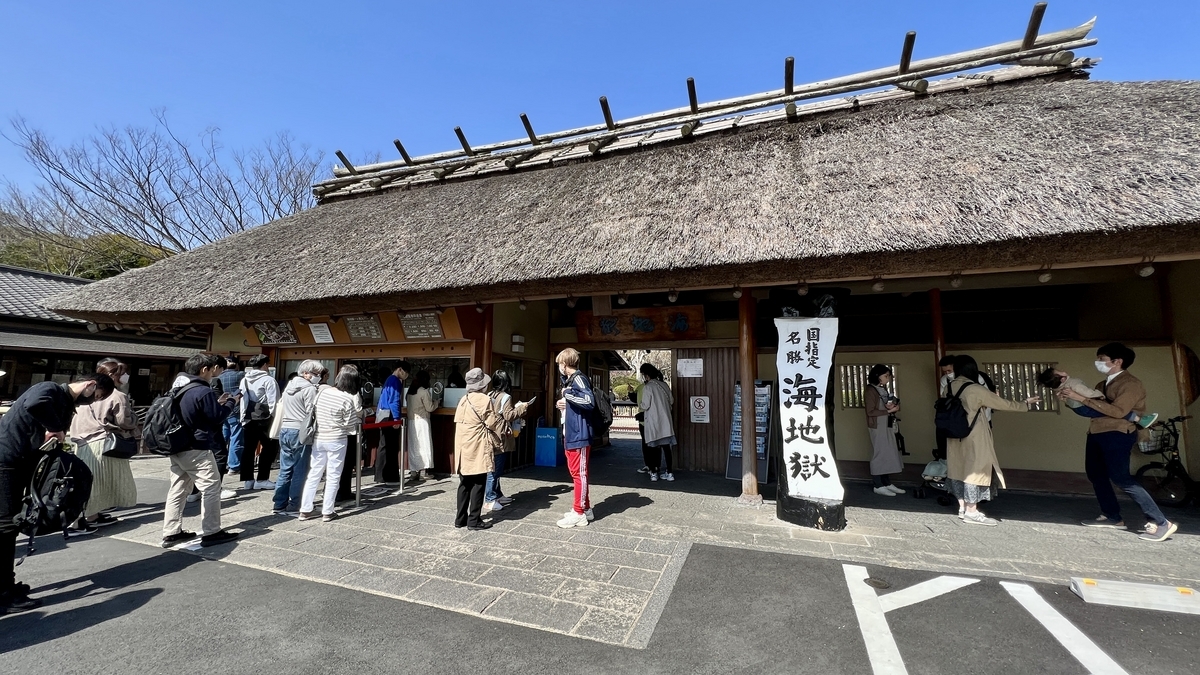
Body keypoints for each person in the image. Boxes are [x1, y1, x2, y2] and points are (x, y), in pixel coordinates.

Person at [0, 373, 112, 613]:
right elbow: (34, 404)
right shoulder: (49, 389)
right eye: (96, 396)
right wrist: (56, 428)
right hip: (6, 460)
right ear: (90, 385)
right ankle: (4, 594)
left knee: (10, 523)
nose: (92, 401)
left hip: (19, 462)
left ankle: (6, 585)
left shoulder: (65, 402)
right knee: (6, 526)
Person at [1061, 343, 1179, 542]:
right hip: (1096, 432)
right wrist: (1070, 397)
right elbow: (1092, 409)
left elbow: (1117, 411)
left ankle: (1161, 522)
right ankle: (1112, 516)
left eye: (1102, 359)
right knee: (1096, 475)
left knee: (1121, 478)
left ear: (1117, 361)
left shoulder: (1131, 384)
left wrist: (1081, 398)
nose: (1098, 362)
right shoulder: (1102, 384)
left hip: (1118, 433)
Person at [945, 355, 1038, 526]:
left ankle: (962, 508)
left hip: (954, 435)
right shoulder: (975, 388)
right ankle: (972, 512)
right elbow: (1003, 404)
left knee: (959, 469)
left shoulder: (950, 386)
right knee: (975, 471)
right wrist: (1025, 403)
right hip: (974, 435)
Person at [161, 353, 240, 549]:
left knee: (178, 489)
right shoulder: (202, 390)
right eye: (212, 370)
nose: (213, 374)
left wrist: (217, 403)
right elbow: (216, 417)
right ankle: (212, 531)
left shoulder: (178, 387)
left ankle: (171, 531)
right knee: (211, 488)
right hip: (196, 446)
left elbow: (196, 411)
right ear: (204, 369)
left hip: (176, 445)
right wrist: (232, 402)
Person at [68, 358, 138, 533]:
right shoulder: (117, 396)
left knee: (89, 481)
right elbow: (124, 421)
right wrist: (135, 419)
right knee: (98, 483)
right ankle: (77, 521)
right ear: (114, 375)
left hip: (81, 442)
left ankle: (92, 516)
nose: (126, 376)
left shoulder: (84, 393)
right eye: (123, 373)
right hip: (103, 443)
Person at [299, 365, 361, 522]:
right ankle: (328, 510)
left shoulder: (322, 393)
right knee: (333, 475)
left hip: (319, 438)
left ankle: (305, 509)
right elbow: (350, 425)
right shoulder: (347, 399)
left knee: (314, 474)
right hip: (337, 439)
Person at [453, 368, 508, 531]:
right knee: (478, 482)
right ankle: (474, 520)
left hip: (462, 446)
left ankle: (460, 519)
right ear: (482, 385)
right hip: (477, 445)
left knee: (464, 483)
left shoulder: (463, 399)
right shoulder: (484, 400)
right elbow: (491, 423)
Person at [272, 361, 325, 515]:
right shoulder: (309, 389)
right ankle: (296, 503)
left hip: (285, 429)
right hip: (300, 431)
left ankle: (279, 503)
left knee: (285, 469)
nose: (318, 377)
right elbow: (311, 412)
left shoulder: (289, 386)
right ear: (305, 374)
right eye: (316, 374)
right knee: (300, 469)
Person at [1037, 367, 1158, 428]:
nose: (1063, 371)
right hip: (1085, 407)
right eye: (1060, 371)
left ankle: (1138, 421)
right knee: (1113, 411)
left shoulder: (1058, 388)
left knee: (1108, 412)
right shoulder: (1073, 384)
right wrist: (1100, 395)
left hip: (1079, 409)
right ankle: (1140, 420)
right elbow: (1087, 393)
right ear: (1063, 379)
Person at [556, 348, 596, 528]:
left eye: (560, 363)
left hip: (579, 433)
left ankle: (579, 512)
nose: (559, 367)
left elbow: (589, 401)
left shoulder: (579, 379)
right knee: (577, 473)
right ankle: (584, 508)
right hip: (572, 432)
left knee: (579, 474)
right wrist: (565, 403)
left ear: (565, 364)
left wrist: (567, 394)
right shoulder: (571, 380)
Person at [484, 370, 527, 511]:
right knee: (495, 469)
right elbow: (509, 416)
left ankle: (498, 495)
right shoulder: (506, 397)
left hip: (489, 433)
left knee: (494, 465)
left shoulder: (489, 394)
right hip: (500, 435)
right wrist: (522, 408)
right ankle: (490, 499)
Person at [239, 354, 279, 491]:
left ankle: (247, 480)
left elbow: (243, 400)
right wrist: (275, 418)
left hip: (249, 417)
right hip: (265, 418)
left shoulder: (245, 379)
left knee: (248, 449)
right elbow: (274, 401)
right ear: (264, 365)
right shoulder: (269, 380)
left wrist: (242, 418)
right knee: (269, 448)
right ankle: (262, 478)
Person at [864, 364, 904, 496]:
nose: (888, 378)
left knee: (888, 452)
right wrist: (889, 411)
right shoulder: (870, 390)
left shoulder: (881, 389)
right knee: (879, 453)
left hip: (886, 424)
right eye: (886, 376)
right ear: (877, 376)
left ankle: (886, 482)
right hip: (877, 425)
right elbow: (870, 412)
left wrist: (892, 407)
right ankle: (878, 484)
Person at [638, 364, 676, 482]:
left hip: (653, 421)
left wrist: (640, 404)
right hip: (666, 421)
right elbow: (672, 400)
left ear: (646, 375)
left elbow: (645, 405)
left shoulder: (648, 387)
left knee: (651, 447)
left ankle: (653, 473)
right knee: (666, 448)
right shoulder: (664, 385)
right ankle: (669, 473)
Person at [375, 361, 411, 487]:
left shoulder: (389, 380)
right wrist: (396, 418)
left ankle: (380, 475)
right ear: (400, 369)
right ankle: (390, 476)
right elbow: (394, 400)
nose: (406, 375)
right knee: (391, 447)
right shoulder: (395, 381)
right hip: (390, 415)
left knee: (384, 445)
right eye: (406, 372)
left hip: (382, 414)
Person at [406, 370, 439, 482]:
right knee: (424, 446)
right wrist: (436, 402)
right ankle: (423, 473)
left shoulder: (410, 392)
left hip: (411, 421)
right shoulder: (424, 391)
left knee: (413, 447)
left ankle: (413, 472)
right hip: (422, 421)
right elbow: (430, 408)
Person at [217, 358, 245, 474]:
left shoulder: (219, 377)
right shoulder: (241, 375)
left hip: (222, 410)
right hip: (236, 410)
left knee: (223, 438)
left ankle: (219, 463)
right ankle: (234, 465)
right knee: (236, 438)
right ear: (237, 365)